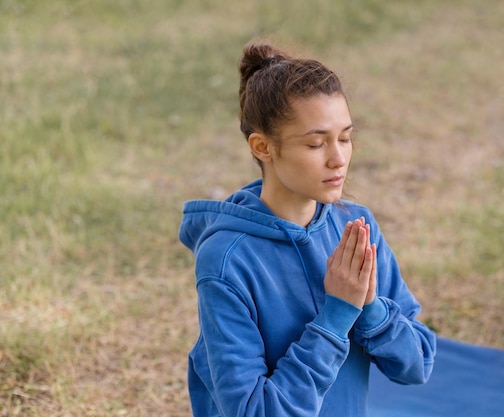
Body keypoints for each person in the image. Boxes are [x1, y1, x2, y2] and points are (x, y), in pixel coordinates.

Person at [178, 40, 436, 417]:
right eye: (317, 144)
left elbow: (418, 365)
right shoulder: (227, 261)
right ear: (263, 147)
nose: (339, 159)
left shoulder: (355, 227)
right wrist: (337, 316)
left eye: (345, 138)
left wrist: (369, 309)